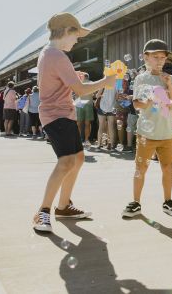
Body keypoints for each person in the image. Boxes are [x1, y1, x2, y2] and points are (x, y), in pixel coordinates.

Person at [33, 13, 115, 232]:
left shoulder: (48, 53)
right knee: (67, 162)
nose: (77, 40)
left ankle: (63, 206)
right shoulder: (57, 55)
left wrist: (71, 75)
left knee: (77, 159)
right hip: (56, 115)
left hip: (61, 114)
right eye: (76, 35)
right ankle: (43, 211)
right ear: (67, 31)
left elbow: (60, 82)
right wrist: (106, 82)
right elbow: (81, 90)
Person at [121, 39, 172, 218]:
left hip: (166, 132)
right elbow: (137, 105)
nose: (160, 61)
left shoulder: (169, 78)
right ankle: (136, 202)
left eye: (163, 58)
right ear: (145, 57)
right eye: (155, 57)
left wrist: (170, 85)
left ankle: (168, 201)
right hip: (146, 133)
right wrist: (147, 101)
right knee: (141, 168)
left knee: (167, 167)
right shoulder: (141, 78)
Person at [95, 85, 117, 150]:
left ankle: (99, 144)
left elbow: (97, 96)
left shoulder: (104, 83)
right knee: (111, 127)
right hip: (112, 107)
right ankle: (112, 145)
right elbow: (117, 97)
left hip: (102, 107)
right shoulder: (117, 84)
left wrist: (101, 96)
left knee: (101, 126)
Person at [75, 74, 95, 143]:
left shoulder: (78, 82)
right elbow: (94, 94)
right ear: (88, 77)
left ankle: (79, 139)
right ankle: (86, 139)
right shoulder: (91, 83)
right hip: (88, 103)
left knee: (79, 123)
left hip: (79, 103)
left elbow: (75, 93)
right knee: (87, 123)